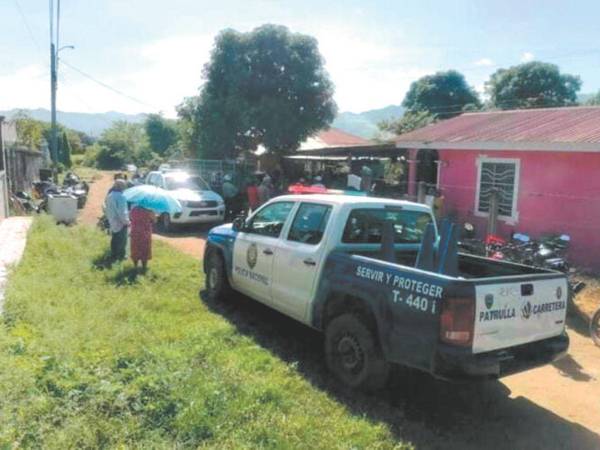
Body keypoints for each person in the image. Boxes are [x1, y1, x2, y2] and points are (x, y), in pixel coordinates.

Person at [104, 179, 130, 261]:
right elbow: (122, 212)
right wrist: (126, 221)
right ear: (122, 187)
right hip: (120, 222)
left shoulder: (110, 195)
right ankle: (121, 256)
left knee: (114, 239)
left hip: (112, 220)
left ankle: (114, 254)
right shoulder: (121, 197)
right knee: (122, 240)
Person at [130, 206, 155, 271]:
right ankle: (144, 267)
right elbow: (154, 220)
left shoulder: (133, 209)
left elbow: (131, 218)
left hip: (135, 231)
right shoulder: (149, 211)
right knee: (145, 249)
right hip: (145, 233)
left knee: (135, 248)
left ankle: (135, 266)